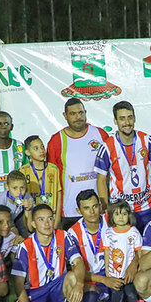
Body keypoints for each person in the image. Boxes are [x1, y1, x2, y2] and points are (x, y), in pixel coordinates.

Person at [12, 204, 86, 302]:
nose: (47, 223)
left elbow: (78, 261)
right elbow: (18, 283)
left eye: (50, 219)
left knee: (73, 277)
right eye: (41, 219)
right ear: (33, 224)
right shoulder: (25, 246)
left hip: (57, 286)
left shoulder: (63, 236)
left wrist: (79, 284)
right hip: (36, 290)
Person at [95, 100, 151, 230]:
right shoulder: (107, 147)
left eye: (130, 118)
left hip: (146, 206)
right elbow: (101, 179)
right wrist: (106, 208)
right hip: (120, 209)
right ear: (115, 121)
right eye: (122, 119)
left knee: (148, 246)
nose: (127, 123)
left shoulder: (147, 140)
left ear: (135, 118)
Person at [47, 98, 109, 229]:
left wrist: (105, 204)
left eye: (81, 113)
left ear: (86, 112)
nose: (78, 117)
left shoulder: (100, 134)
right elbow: (51, 179)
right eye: (73, 114)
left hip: (97, 209)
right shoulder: (57, 140)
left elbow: (112, 170)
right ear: (65, 115)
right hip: (69, 211)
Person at [103, 200, 143, 302]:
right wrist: (107, 270)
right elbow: (107, 252)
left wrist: (138, 268)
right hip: (115, 272)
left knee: (131, 292)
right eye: (117, 214)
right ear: (111, 216)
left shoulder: (134, 232)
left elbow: (139, 252)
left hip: (128, 272)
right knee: (116, 293)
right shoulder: (108, 233)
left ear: (129, 215)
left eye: (124, 214)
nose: (121, 217)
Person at [19, 135, 61, 213]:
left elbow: (58, 194)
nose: (41, 151)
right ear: (28, 152)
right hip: (33, 213)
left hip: (51, 213)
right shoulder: (23, 171)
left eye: (42, 147)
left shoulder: (53, 169)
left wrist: (57, 217)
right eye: (36, 148)